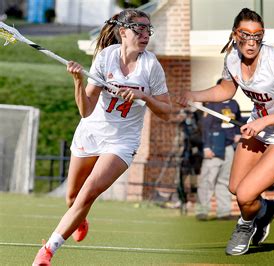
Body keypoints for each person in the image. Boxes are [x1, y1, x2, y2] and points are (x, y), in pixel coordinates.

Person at [32, 9, 172, 266]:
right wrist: (77, 81)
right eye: (138, 29)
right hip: (92, 131)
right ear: (123, 32)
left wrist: (145, 97)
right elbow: (86, 110)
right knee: (73, 198)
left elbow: (166, 111)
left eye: (147, 29)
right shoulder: (105, 58)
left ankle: (47, 251)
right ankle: (79, 218)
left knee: (87, 194)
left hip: (122, 141)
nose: (145, 35)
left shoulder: (151, 65)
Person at [177, 8, 274, 256]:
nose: (251, 42)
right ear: (235, 34)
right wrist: (193, 95)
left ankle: (245, 225)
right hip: (261, 125)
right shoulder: (231, 58)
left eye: (257, 36)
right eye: (245, 35)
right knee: (235, 187)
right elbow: (225, 91)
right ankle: (264, 210)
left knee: (245, 194)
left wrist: (264, 122)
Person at [195, 79, 242, 221]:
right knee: (207, 180)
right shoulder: (212, 105)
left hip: (228, 147)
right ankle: (202, 211)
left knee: (224, 180)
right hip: (214, 147)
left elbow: (238, 121)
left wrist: (238, 133)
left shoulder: (234, 104)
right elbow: (205, 127)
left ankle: (224, 212)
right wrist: (207, 147)